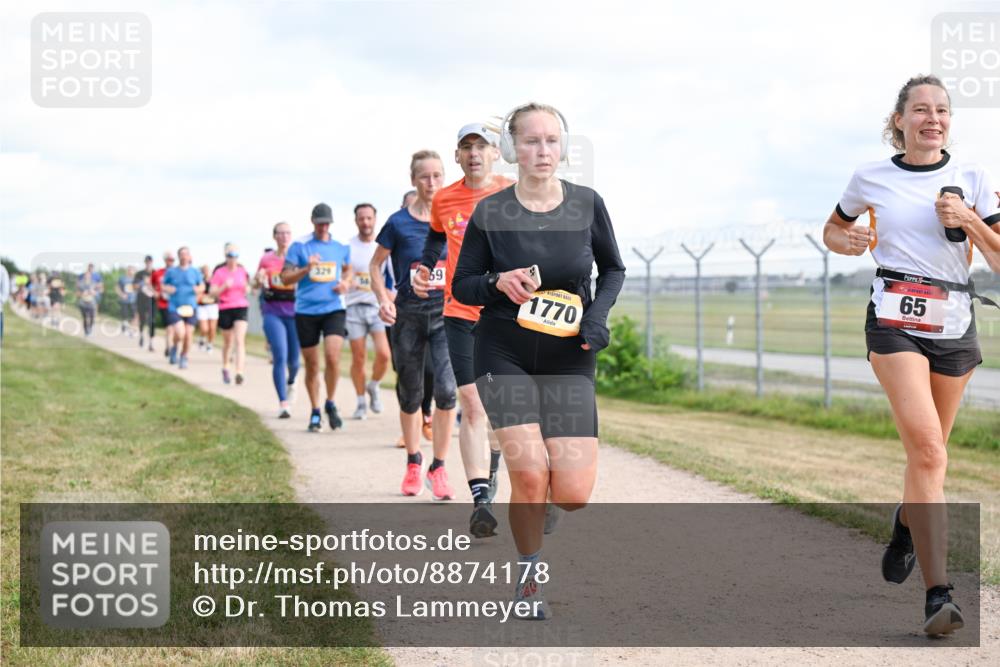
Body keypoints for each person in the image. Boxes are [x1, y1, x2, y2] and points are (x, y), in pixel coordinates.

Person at [823, 75, 1000, 637]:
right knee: (926, 448)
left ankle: (906, 521)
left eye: (942, 110)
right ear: (899, 120)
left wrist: (970, 220)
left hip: (954, 325)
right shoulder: (870, 176)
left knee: (932, 459)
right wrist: (844, 241)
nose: (933, 118)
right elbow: (834, 227)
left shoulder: (975, 177)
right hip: (894, 320)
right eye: (920, 109)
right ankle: (938, 595)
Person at [452, 103, 626, 619]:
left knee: (571, 493)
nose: (542, 150)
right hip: (502, 349)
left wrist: (596, 318)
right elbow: (464, 283)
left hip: (569, 355)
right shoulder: (490, 212)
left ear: (564, 147)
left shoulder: (587, 204)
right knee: (529, 471)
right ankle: (529, 577)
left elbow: (613, 270)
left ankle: (549, 501)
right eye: (530, 141)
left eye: (551, 140)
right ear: (511, 149)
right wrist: (495, 282)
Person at [414, 122, 513, 537]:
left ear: (495, 153)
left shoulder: (513, 194)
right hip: (460, 313)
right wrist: (422, 269)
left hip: (509, 316)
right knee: (472, 405)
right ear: (457, 156)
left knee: (501, 414)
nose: (474, 153)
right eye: (465, 147)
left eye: (482, 146)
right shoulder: (445, 199)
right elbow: (435, 242)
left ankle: (492, 470)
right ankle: (480, 502)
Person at [371, 150, 458, 501]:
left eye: (438, 175)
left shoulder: (454, 219)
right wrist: (383, 298)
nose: (432, 182)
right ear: (413, 180)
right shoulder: (397, 223)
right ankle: (412, 461)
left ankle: (438, 467)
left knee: (447, 392)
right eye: (425, 176)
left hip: (446, 314)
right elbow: (375, 266)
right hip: (407, 314)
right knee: (410, 393)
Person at [280, 203, 352, 432]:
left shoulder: (340, 246)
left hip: (333, 309)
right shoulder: (300, 247)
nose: (323, 227)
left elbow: (348, 269)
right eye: (319, 223)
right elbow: (285, 279)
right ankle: (315, 410)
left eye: (326, 223)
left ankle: (330, 402)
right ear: (313, 222)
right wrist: (306, 269)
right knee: (312, 365)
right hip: (306, 311)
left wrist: (346, 282)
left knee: (332, 357)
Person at [345, 203, 393, 420]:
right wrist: (347, 281)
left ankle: (373, 385)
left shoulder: (382, 245)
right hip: (354, 306)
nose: (365, 222)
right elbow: (342, 274)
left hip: (377, 306)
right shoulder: (348, 247)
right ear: (356, 221)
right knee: (359, 357)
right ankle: (360, 401)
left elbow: (392, 275)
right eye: (361, 218)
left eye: (369, 218)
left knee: (384, 354)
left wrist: (390, 296)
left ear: (375, 219)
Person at [256, 223, 301, 418]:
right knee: (280, 356)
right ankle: (283, 402)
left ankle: (291, 381)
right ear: (274, 236)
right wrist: (258, 280)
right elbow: (256, 282)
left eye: (287, 233)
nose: (284, 236)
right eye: (280, 233)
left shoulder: (297, 257)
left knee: (294, 361)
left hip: (295, 311)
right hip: (272, 311)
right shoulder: (267, 259)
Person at [210, 243, 251, 385]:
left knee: (240, 340)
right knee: (228, 342)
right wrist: (223, 287)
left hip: (241, 306)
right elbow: (212, 292)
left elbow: (247, 287)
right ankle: (226, 367)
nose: (232, 258)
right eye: (229, 255)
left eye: (234, 255)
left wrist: (248, 288)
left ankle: (239, 372)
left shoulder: (242, 270)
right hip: (225, 307)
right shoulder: (219, 272)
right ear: (225, 256)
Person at [161, 246, 204, 369]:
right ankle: (174, 347)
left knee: (188, 334)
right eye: (182, 254)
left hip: (190, 307)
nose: (184, 256)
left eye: (186, 254)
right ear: (178, 256)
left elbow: (202, 286)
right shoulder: (171, 271)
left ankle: (184, 356)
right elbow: (163, 285)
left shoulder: (195, 272)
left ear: (189, 256)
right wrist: (168, 288)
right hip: (175, 306)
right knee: (180, 333)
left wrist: (198, 289)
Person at [151, 252, 175, 356]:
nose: (170, 262)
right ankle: (169, 347)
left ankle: (171, 346)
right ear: (165, 260)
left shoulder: (177, 272)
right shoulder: (158, 273)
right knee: (169, 326)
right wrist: (155, 292)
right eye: (169, 259)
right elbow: (151, 284)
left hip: (176, 303)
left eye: (172, 260)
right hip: (163, 303)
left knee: (176, 327)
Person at [134, 255, 156, 350]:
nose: (148, 263)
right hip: (141, 299)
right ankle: (141, 335)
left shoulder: (156, 273)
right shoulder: (139, 274)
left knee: (152, 321)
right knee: (142, 320)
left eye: (150, 261)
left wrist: (151, 284)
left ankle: (151, 343)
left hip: (152, 300)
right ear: (145, 262)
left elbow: (160, 285)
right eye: (147, 261)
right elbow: (134, 286)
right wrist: (143, 283)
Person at [196, 264, 219, 352]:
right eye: (204, 270)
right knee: (204, 328)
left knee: (212, 328)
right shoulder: (199, 281)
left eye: (207, 270)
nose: (206, 272)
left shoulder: (214, 280)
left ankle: (210, 344)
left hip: (213, 305)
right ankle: (202, 338)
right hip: (202, 306)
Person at [76, 264, 103, 336]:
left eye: (88, 275)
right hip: (83, 302)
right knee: (85, 317)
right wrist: (82, 294)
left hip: (92, 302)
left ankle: (90, 329)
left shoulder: (94, 283)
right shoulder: (80, 283)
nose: (87, 276)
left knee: (92, 317)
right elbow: (77, 293)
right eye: (86, 275)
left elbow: (100, 290)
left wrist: (95, 292)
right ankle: (86, 331)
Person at [116, 265, 138, 336]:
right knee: (124, 316)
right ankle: (124, 328)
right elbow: (117, 288)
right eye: (130, 270)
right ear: (127, 271)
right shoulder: (122, 278)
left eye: (133, 270)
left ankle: (131, 330)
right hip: (124, 300)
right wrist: (121, 294)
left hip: (133, 301)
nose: (132, 271)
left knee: (134, 316)